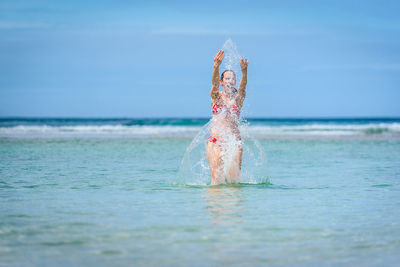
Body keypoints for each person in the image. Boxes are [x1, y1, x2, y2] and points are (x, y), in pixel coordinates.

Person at [206, 50, 248, 185]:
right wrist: (216, 66)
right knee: (216, 181)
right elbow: (213, 85)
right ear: (222, 82)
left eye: (233, 78)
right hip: (216, 141)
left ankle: (234, 206)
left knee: (234, 181)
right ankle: (216, 205)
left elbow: (242, 88)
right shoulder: (216, 97)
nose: (231, 81)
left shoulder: (238, 99)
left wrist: (244, 72)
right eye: (227, 78)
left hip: (234, 142)